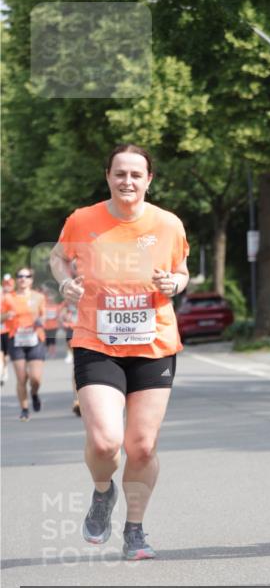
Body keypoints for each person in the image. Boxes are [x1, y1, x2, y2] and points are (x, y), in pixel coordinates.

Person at [50, 144, 189, 560]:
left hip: (154, 344)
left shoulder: (168, 224)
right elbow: (59, 259)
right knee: (106, 441)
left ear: (149, 179)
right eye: (120, 173)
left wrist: (175, 285)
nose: (127, 181)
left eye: (136, 174)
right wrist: (64, 283)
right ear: (108, 176)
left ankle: (135, 530)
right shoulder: (83, 219)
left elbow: (181, 271)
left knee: (142, 446)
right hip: (97, 342)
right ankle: (102, 491)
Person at [1, 268, 46, 419]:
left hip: (35, 339)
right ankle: (24, 409)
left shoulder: (38, 297)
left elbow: (44, 315)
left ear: (31, 280)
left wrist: (41, 322)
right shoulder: (8, 297)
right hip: (16, 339)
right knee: (21, 378)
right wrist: (7, 315)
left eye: (27, 276)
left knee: (35, 378)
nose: (23, 279)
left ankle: (34, 394)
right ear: (17, 279)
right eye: (20, 276)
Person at [1, 273, 15, 385]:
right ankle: (2, 371)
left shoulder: (14, 297)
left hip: (9, 330)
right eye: (5, 284)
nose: (7, 286)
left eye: (9, 284)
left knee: (6, 356)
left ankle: (5, 371)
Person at [42, 285, 60, 359]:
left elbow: (59, 315)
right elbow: (43, 298)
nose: (50, 298)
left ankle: (52, 353)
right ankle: (47, 353)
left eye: (51, 297)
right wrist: (45, 291)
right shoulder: (44, 305)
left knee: (52, 340)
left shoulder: (56, 306)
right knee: (46, 340)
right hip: (45, 326)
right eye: (49, 297)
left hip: (54, 327)